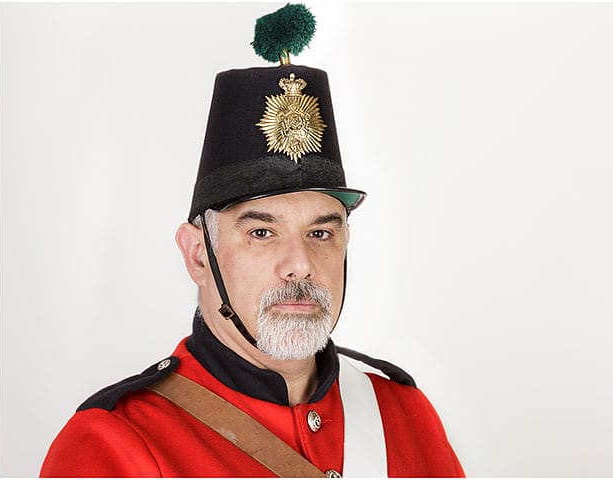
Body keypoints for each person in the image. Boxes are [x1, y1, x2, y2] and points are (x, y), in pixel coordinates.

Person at [40, 4, 464, 477]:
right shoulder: (114, 443)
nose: (300, 264)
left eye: (320, 232)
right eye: (262, 233)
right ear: (200, 256)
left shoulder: (401, 414)